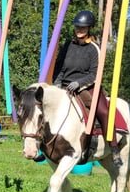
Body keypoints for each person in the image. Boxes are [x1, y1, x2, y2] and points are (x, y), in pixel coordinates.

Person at [52, 10, 122, 167]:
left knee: (103, 112)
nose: (79, 30)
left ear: (89, 28)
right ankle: (43, 147)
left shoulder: (94, 48)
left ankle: (114, 147)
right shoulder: (67, 45)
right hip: (64, 86)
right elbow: (59, 67)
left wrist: (79, 83)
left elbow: (95, 74)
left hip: (88, 86)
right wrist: (57, 83)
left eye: (83, 27)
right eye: (77, 27)